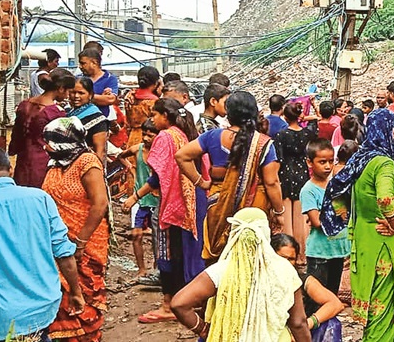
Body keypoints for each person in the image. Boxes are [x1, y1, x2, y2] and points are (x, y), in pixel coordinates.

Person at [0, 147, 82, 341]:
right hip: (42, 309)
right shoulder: (40, 198)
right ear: (11, 169)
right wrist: (76, 293)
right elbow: (64, 253)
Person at [319, 109, 394, 342]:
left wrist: (350, 218)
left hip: (363, 241)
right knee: (384, 310)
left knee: (374, 308)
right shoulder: (383, 163)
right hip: (383, 245)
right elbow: (385, 198)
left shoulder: (360, 159)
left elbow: (337, 193)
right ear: (391, 132)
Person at [170, 208, 312, 342]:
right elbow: (298, 323)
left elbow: (179, 304)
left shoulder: (221, 270)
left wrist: (204, 330)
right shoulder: (285, 269)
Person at [176, 91, 285, 260]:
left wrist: (201, 182)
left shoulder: (212, 136)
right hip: (254, 208)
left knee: (219, 260)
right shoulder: (263, 143)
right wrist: (279, 212)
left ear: (228, 112)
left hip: (217, 206)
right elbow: (272, 182)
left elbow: (181, 156)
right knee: (249, 259)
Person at [128, 98, 204, 324]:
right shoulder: (183, 134)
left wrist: (135, 196)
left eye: (155, 115)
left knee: (166, 255)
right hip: (188, 201)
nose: (152, 119)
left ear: (166, 116)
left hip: (172, 203)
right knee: (181, 253)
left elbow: (157, 177)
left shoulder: (165, 137)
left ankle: (169, 305)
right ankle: (183, 300)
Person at [40, 113, 110, 342]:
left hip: (86, 242)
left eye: (50, 141)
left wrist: (80, 242)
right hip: (58, 242)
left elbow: (100, 204)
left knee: (85, 295)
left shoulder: (87, 163)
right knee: (62, 295)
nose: (45, 146)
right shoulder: (56, 164)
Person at [272, 234, 347, 342]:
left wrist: (309, 323)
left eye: (291, 259)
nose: (286, 263)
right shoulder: (262, 282)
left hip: (303, 331)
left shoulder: (303, 280)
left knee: (332, 324)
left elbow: (336, 304)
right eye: (282, 258)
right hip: (277, 334)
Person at [300, 138, 350, 296]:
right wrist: (335, 213)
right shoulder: (308, 190)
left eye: (330, 161)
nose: (328, 166)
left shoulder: (335, 185)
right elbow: (316, 222)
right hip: (319, 252)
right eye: (322, 162)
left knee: (332, 294)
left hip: (338, 250)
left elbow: (344, 215)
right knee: (316, 297)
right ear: (310, 162)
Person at [274, 101, 320, 261]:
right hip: (302, 174)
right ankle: (302, 255)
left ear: (285, 116)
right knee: (301, 217)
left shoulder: (281, 135)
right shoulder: (308, 134)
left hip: (285, 175)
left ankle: (287, 255)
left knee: (287, 219)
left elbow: (278, 159)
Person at [10, 67, 68, 188]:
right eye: (68, 91)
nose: (68, 96)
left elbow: (16, 135)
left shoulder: (24, 104)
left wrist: (13, 150)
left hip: (23, 159)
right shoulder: (56, 113)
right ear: (61, 89)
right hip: (43, 162)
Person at [118, 120, 160, 283]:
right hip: (140, 199)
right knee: (136, 235)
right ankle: (141, 269)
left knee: (158, 237)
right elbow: (122, 156)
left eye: (151, 135)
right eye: (145, 134)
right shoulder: (138, 149)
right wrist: (131, 168)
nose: (147, 138)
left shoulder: (160, 153)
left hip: (156, 199)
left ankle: (158, 268)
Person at [125, 65, 161, 153]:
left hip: (132, 137)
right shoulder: (153, 101)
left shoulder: (130, 97)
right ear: (156, 83)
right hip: (148, 138)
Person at [78, 48, 119, 121]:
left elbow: (110, 99)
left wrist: (84, 97)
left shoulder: (110, 79)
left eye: (83, 63)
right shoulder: (78, 79)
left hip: (101, 121)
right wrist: (101, 98)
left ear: (94, 63)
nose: (80, 66)